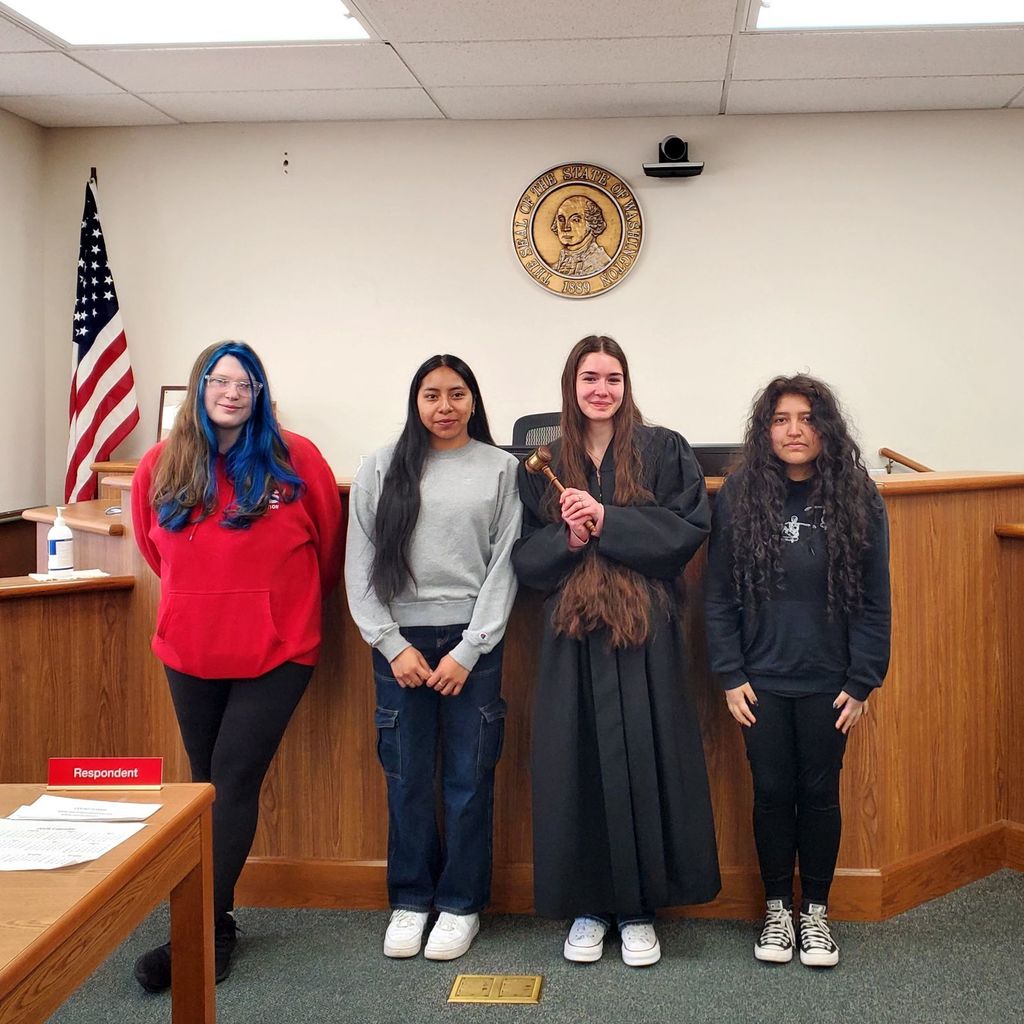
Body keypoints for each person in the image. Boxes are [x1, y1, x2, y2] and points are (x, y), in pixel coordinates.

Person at [130, 341, 342, 990]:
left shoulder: (295, 458)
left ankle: (195, 931)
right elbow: (152, 549)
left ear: (260, 393)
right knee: (203, 785)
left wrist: (275, 606)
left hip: (277, 651)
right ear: (199, 389)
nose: (231, 392)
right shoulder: (161, 465)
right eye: (219, 381)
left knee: (232, 779)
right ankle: (215, 924)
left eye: (245, 382)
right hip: (190, 650)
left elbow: (328, 550)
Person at [512, 335, 720, 967]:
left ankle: (637, 910)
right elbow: (524, 558)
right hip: (573, 633)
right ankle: (587, 907)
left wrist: (606, 518)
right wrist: (569, 539)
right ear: (571, 386)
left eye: (612, 378)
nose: (601, 389)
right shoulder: (544, 461)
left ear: (627, 385)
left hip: (644, 633)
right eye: (589, 378)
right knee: (576, 767)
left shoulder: (663, 449)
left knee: (643, 761)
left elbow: (686, 533)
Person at [704, 374, 891, 968]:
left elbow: (874, 601)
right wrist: (730, 674)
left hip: (829, 684)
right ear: (766, 430)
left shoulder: (859, 496)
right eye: (781, 419)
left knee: (818, 794)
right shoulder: (740, 494)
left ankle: (815, 912)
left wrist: (862, 681)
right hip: (758, 681)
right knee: (771, 794)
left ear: (825, 428)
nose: (793, 430)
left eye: (806, 418)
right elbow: (717, 597)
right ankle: (777, 909)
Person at [345, 354, 521, 961]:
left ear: (474, 400)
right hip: (400, 648)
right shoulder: (380, 466)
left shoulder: (501, 468)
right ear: (414, 401)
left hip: (472, 648)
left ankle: (461, 904)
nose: (443, 406)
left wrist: (470, 649)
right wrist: (391, 645)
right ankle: (412, 899)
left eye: (456, 394)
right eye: (430, 395)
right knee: (407, 777)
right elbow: (359, 566)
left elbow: (505, 566)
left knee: (469, 780)